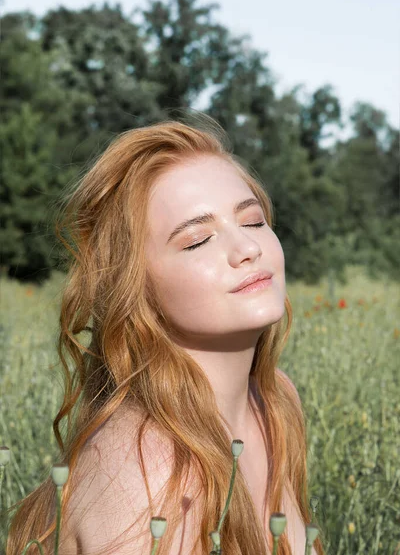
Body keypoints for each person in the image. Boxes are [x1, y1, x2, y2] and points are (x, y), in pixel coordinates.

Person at [5, 113, 324, 555]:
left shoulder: (274, 402)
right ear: (134, 287)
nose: (248, 249)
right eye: (197, 240)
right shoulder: (142, 472)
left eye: (252, 222)